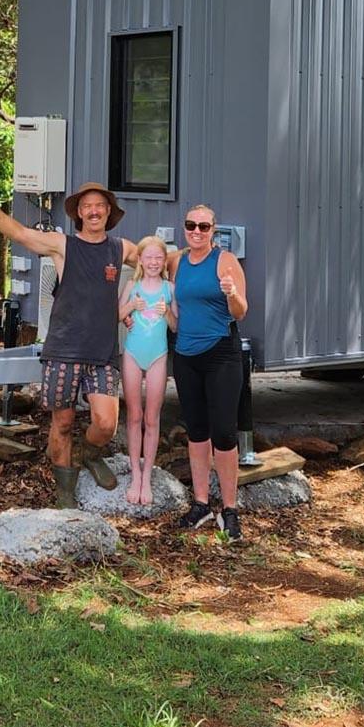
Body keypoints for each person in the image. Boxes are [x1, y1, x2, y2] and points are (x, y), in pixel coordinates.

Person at [0, 175, 138, 507]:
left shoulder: (121, 248)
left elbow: (157, 258)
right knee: (62, 422)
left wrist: (198, 255)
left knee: (106, 423)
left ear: (109, 211)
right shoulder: (63, 245)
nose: (93, 212)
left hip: (103, 352)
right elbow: (21, 234)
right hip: (64, 349)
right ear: (79, 212)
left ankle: (89, 452)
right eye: (87, 207)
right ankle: (65, 489)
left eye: (99, 206)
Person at [166, 204, 248, 540]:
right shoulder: (177, 262)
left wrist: (231, 294)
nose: (196, 231)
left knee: (224, 434)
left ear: (213, 230)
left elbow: (241, 312)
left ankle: (230, 509)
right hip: (186, 355)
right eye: (191, 225)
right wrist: (144, 312)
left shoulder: (225, 261)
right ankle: (200, 504)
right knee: (197, 432)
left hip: (221, 354)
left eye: (203, 226)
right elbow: (173, 310)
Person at [119, 236, 177, 506]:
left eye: (158, 258)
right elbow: (117, 314)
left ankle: (147, 476)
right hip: (132, 354)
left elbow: (176, 327)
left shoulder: (170, 288)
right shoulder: (132, 284)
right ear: (139, 260)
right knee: (134, 415)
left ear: (164, 261)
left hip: (158, 357)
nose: (153, 262)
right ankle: (135, 475)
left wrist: (166, 313)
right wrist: (132, 307)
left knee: (152, 418)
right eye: (148, 257)